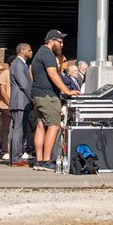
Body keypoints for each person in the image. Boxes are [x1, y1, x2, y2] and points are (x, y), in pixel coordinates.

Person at [30, 29, 77, 171]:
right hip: (47, 96)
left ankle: (39, 161)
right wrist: (67, 90)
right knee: (54, 125)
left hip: (38, 94)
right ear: (51, 41)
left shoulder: (40, 53)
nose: (62, 44)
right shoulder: (47, 54)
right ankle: (46, 161)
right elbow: (53, 74)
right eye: (59, 41)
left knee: (40, 126)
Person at [7, 43, 33, 167]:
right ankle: (16, 158)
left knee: (18, 129)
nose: (31, 52)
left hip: (21, 101)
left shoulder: (21, 64)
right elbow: (24, 84)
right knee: (18, 130)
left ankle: (16, 157)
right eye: (29, 50)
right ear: (22, 51)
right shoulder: (18, 64)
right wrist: (32, 98)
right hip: (20, 101)